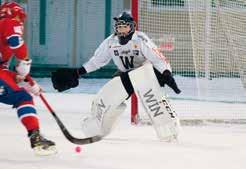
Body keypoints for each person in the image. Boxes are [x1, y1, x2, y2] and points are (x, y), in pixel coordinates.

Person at [51, 12, 181, 141]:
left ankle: (169, 129)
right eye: (119, 27)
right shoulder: (111, 42)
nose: (122, 31)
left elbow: (157, 59)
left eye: (125, 27)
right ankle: (97, 130)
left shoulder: (141, 39)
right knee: (106, 97)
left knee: (152, 100)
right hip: (125, 75)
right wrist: (78, 72)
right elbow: (97, 61)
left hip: (144, 75)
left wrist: (166, 72)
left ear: (132, 27)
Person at [0, 2, 56, 155]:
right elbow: (16, 43)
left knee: (21, 94)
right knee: (22, 98)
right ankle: (35, 136)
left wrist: (22, 79)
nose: (21, 22)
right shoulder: (9, 21)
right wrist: (25, 60)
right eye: (20, 17)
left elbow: (3, 72)